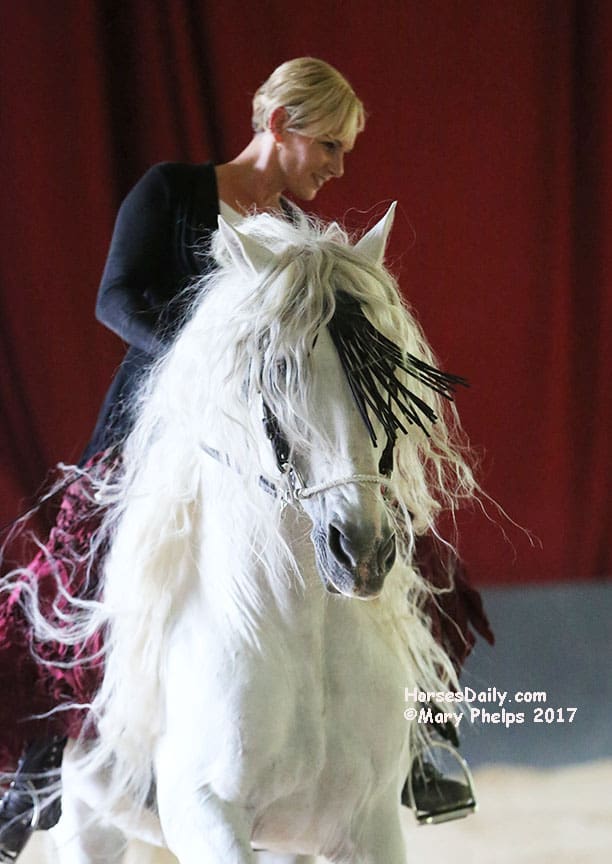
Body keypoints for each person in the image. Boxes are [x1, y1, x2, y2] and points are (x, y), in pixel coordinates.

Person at [0, 57, 489, 860]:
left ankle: (426, 742)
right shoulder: (170, 192)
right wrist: (207, 360)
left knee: (407, 542)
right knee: (75, 558)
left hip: (268, 439)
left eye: (342, 152)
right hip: (157, 425)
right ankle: (40, 763)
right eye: (329, 146)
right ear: (280, 125)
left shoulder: (297, 238)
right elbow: (115, 297)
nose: (337, 168)